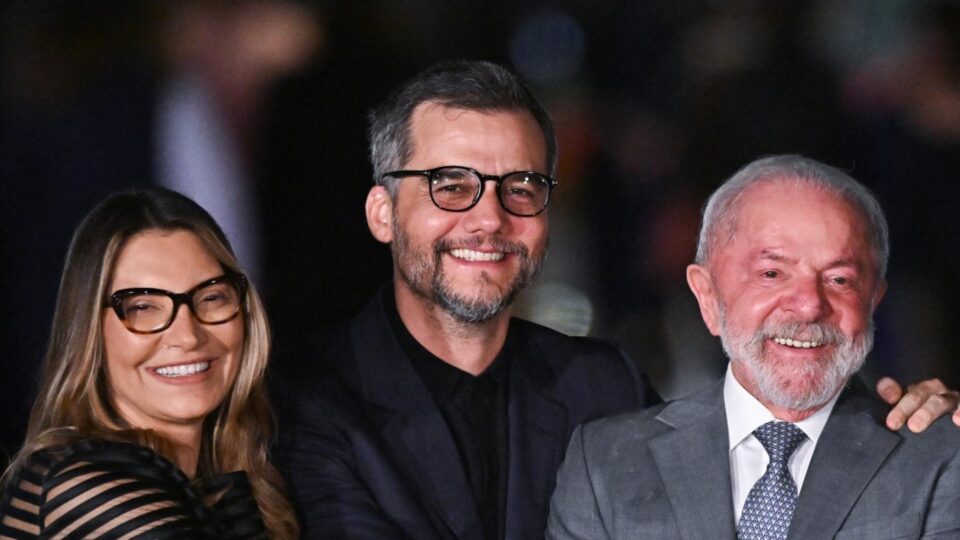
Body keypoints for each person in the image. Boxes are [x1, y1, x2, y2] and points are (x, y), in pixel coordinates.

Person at [276, 61, 956, 540]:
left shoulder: (603, 384)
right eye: (451, 185)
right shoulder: (304, 400)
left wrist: (905, 420)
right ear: (382, 212)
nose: (488, 219)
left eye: (520, 187)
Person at [547, 155, 960, 539]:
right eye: (772, 273)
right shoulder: (607, 464)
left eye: (839, 280)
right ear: (708, 296)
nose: (809, 305)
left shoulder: (941, 458)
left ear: (873, 302)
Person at [0, 187, 298, 539]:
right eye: (143, 307)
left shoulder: (228, 480)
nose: (188, 336)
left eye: (211, 297)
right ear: (90, 332)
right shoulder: (86, 485)